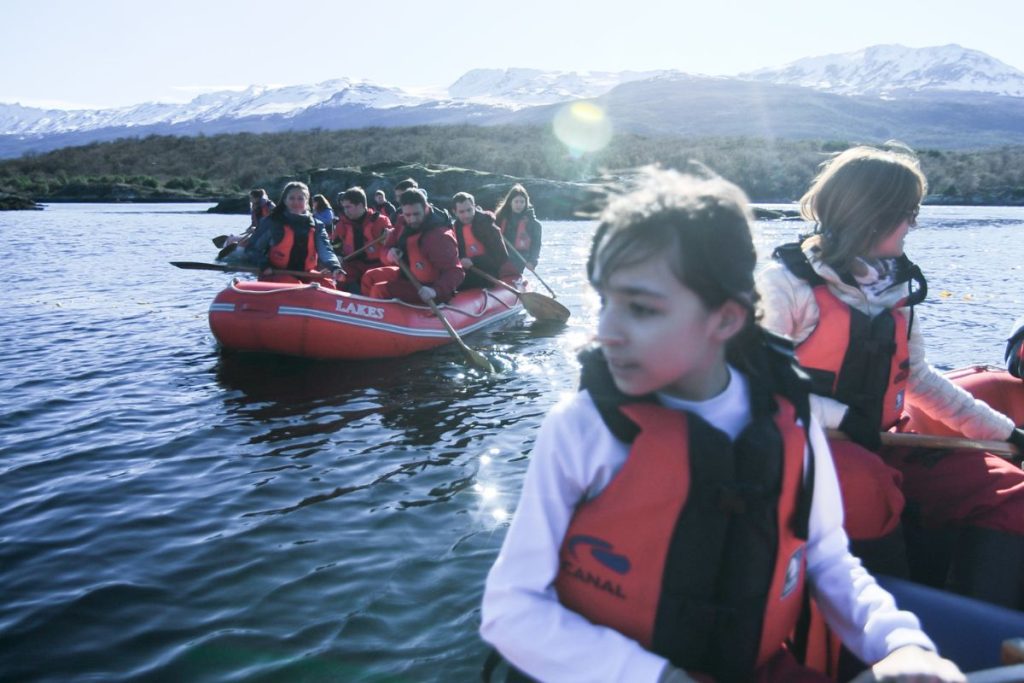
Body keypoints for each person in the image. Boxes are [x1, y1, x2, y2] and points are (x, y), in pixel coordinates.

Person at [480, 168, 963, 683]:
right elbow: (511, 609)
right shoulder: (581, 430)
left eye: (640, 308)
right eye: (604, 302)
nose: (605, 332)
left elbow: (826, 557)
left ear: (727, 320)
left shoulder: (787, 420)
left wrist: (899, 644)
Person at [758, 144, 1024, 606]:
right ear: (873, 215)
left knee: (1011, 494)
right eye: (908, 213)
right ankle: (887, 638)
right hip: (805, 448)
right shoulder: (783, 286)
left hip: (882, 442)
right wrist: (842, 420)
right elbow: (751, 386)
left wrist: (1008, 432)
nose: (914, 225)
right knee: (869, 488)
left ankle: (984, 637)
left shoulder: (893, 289)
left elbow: (918, 379)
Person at [360, 188, 464, 304]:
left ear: (426, 208)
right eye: (408, 215)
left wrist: (434, 290)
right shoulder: (401, 222)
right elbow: (386, 249)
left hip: (429, 288)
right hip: (408, 276)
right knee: (369, 277)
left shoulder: (440, 235)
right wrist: (389, 255)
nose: (412, 219)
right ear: (402, 212)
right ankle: (367, 314)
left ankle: (378, 317)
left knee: (380, 290)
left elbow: (456, 272)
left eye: (416, 214)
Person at [250, 181, 344, 286]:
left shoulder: (317, 225)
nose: (296, 202)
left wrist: (335, 267)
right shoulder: (272, 222)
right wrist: (264, 264)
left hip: (306, 274)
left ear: (306, 201)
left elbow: (326, 251)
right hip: (276, 274)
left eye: (300, 198)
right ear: (285, 201)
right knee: (292, 283)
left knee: (328, 285)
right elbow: (252, 249)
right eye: (292, 198)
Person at [332, 186, 392, 293]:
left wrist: (389, 237)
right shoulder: (341, 225)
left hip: (375, 265)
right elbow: (335, 246)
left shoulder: (380, 221)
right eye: (344, 207)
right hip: (351, 265)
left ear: (360, 205)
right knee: (340, 278)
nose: (345, 211)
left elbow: (392, 244)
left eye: (348, 207)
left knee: (372, 281)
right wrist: (338, 256)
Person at [451, 191, 509, 289]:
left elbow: (501, 256)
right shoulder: (454, 229)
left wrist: (474, 261)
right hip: (466, 273)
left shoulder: (487, 225)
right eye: (461, 212)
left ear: (474, 207)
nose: (466, 215)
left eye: (469, 210)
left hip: (488, 274)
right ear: (454, 212)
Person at [494, 183, 542, 278]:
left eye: (522, 202)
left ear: (526, 203)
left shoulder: (534, 224)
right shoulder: (498, 218)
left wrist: (532, 262)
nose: (519, 205)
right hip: (498, 258)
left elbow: (536, 245)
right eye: (516, 202)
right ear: (510, 202)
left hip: (518, 260)